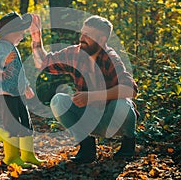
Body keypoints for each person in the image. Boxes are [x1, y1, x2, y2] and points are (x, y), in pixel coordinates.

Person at [30, 14, 139, 164]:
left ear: (101, 40)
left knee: (123, 103)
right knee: (58, 101)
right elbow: (44, 63)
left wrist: (91, 96)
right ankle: (87, 148)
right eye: (82, 33)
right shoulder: (76, 53)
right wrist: (36, 40)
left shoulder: (111, 58)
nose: (81, 38)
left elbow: (131, 90)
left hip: (113, 121)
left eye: (87, 35)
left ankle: (128, 143)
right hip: (89, 117)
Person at [0, 11, 45, 168]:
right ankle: (11, 157)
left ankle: (27, 155)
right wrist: (3, 61)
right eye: (20, 33)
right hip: (4, 92)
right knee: (11, 123)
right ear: (10, 32)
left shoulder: (12, 47)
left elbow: (19, 71)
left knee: (25, 121)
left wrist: (26, 86)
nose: (22, 36)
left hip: (17, 91)